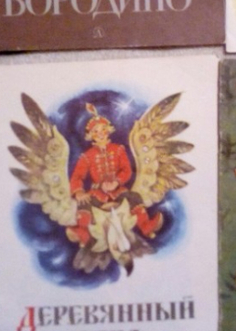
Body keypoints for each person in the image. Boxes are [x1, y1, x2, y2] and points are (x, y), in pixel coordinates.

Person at [66, 104, 163, 246]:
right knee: (84, 203)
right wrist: (79, 191)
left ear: (108, 131)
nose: (100, 134)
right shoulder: (87, 156)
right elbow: (77, 177)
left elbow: (126, 170)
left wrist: (116, 182)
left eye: (103, 130)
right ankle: (83, 233)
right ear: (91, 135)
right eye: (96, 131)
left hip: (118, 191)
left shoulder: (118, 150)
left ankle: (145, 226)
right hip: (97, 193)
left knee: (134, 197)